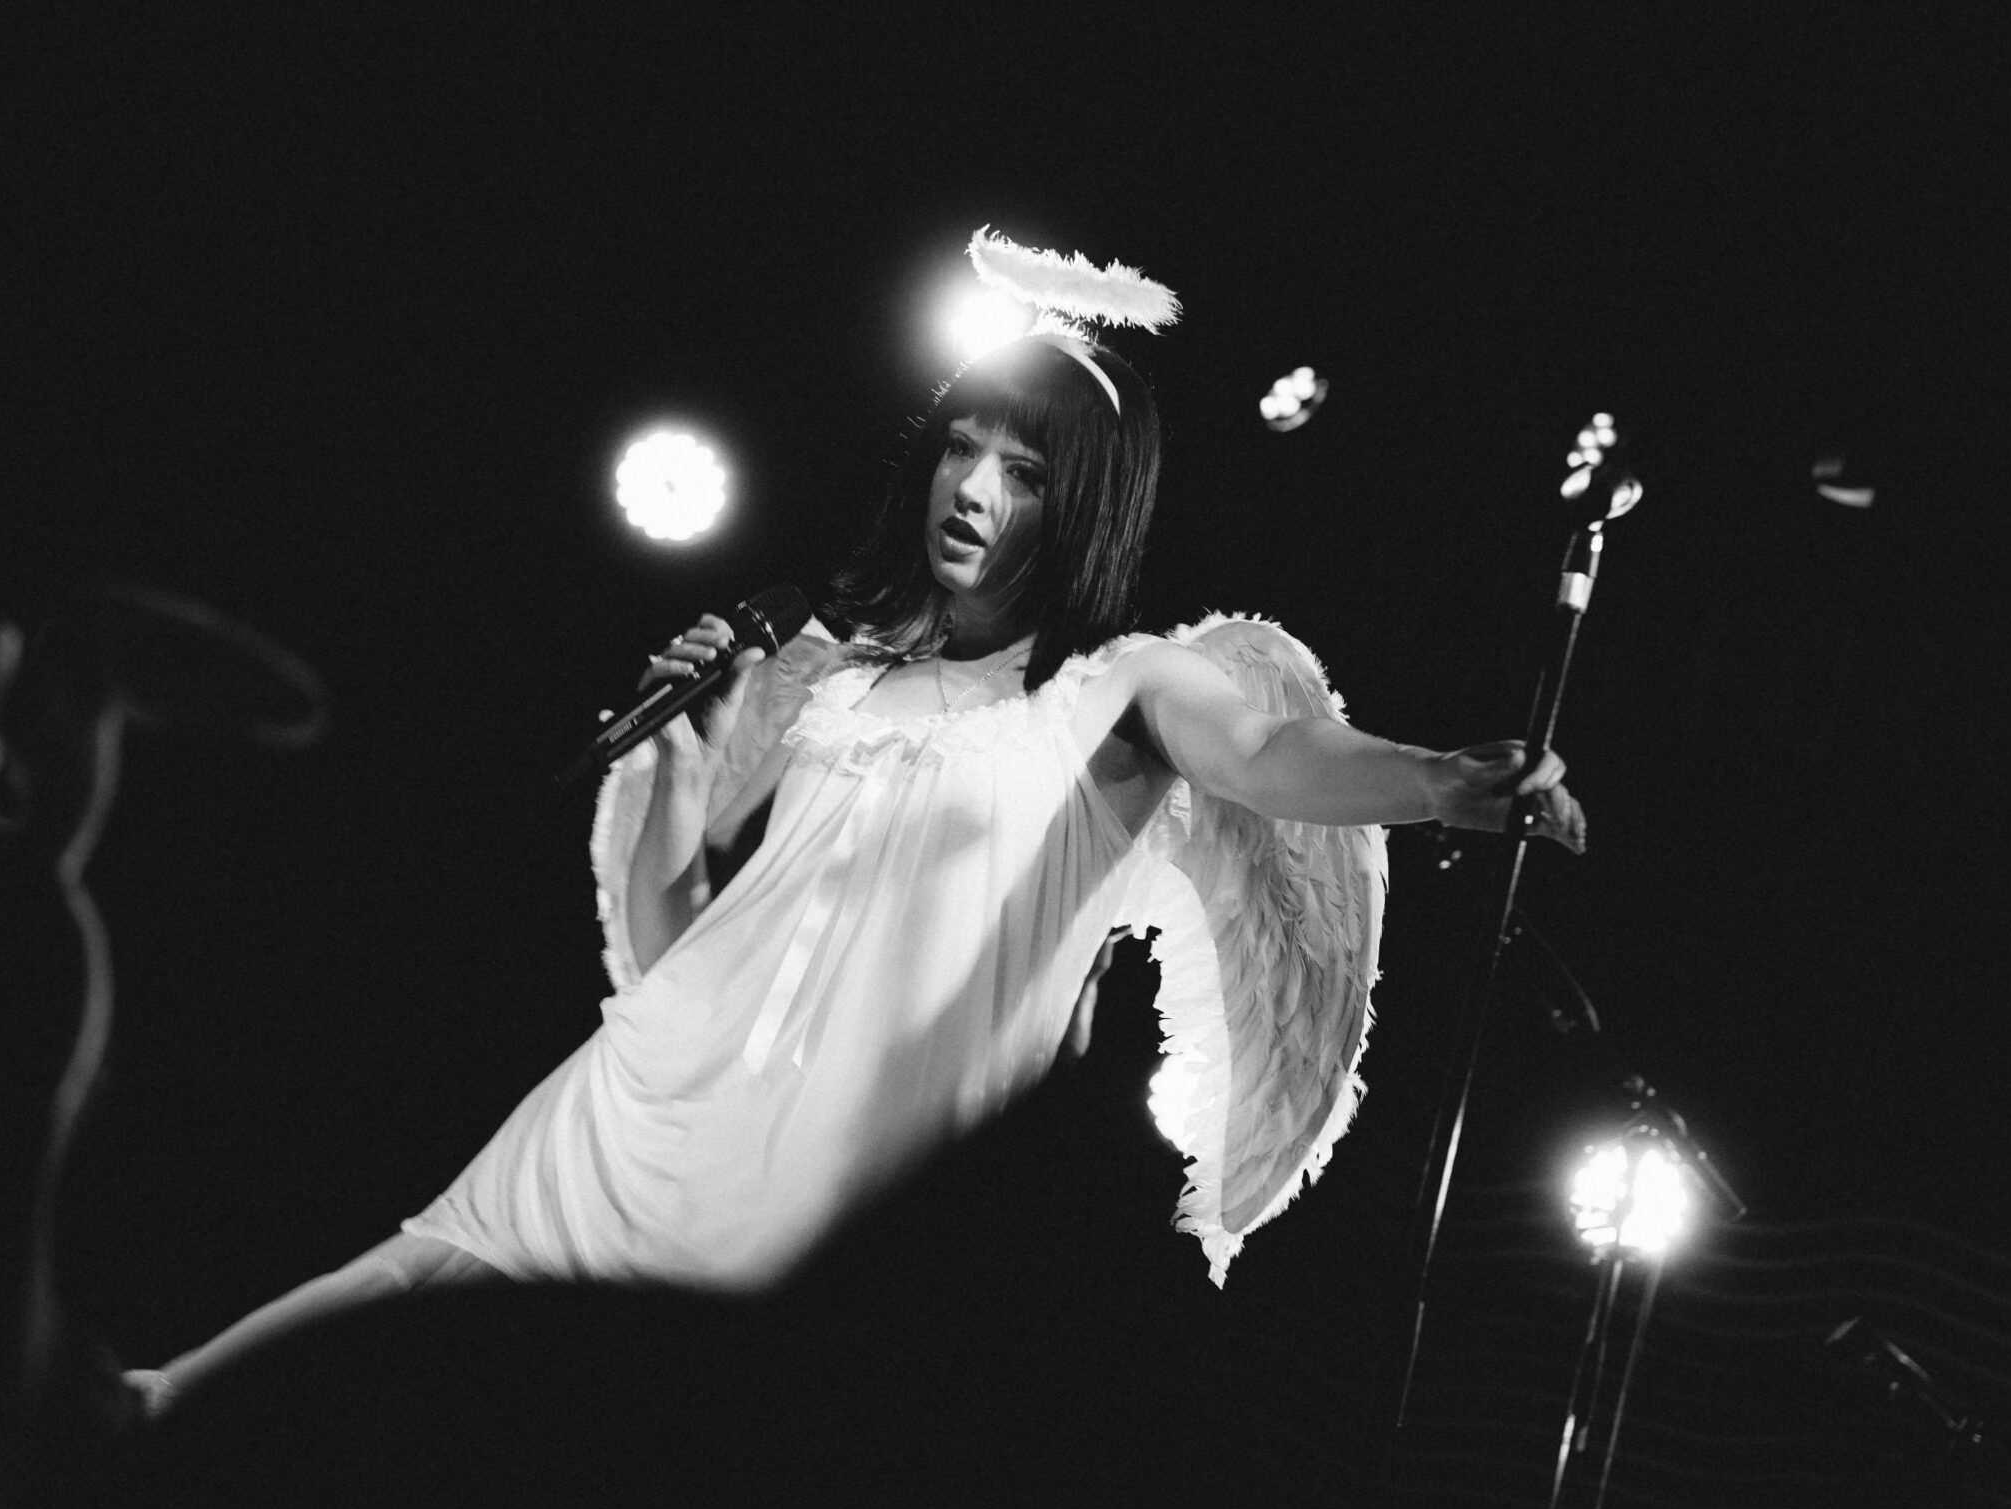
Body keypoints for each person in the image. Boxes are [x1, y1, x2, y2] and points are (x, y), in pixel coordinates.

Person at [122, 330, 1582, 1421]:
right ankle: (139, 1418)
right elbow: (675, 940)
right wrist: (681, 761)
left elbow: (1271, 752)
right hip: (656, 1104)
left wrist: (1444, 780)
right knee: (410, 1280)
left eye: (1024, 471)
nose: (972, 489)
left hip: (847, 1195)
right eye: (961, 448)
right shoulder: (833, 673)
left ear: (1084, 504)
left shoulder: (1124, 687)